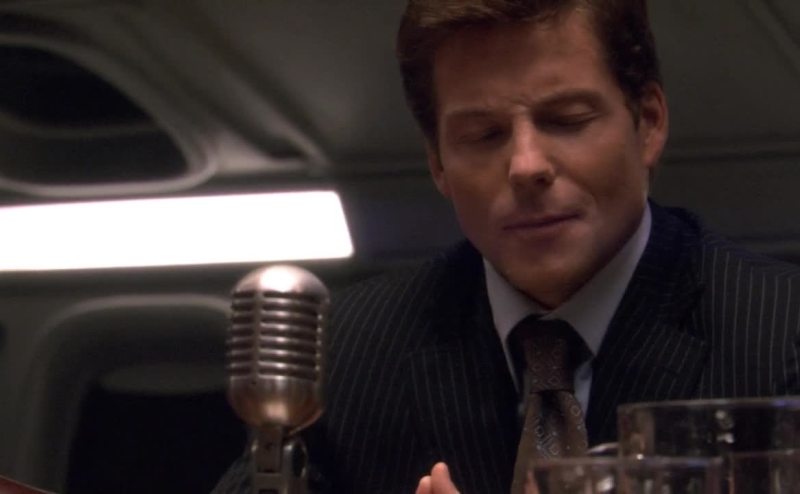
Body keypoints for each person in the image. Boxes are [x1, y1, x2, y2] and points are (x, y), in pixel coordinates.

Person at [213, 0, 800, 492]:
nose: (525, 166)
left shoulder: (781, 337)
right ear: (437, 163)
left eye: (566, 119)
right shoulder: (349, 355)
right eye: (484, 135)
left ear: (648, 122)